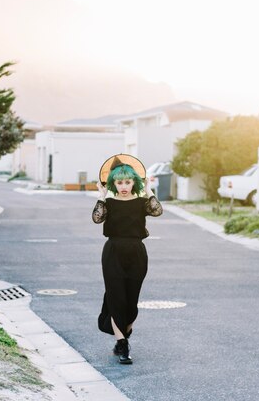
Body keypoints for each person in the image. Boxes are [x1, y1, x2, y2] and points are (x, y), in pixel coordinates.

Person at [92, 156, 163, 364]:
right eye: (119, 182)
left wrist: (148, 189)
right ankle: (123, 344)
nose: (123, 186)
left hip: (137, 253)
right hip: (113, 252)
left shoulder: (142, 203)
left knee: (131, 302)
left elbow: (157, 211)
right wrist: (102, 196)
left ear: (135, 182)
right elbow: (97, 218)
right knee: (116, 298)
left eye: (128, 182)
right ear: (113, 183)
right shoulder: (110, 203)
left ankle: (122, 338)